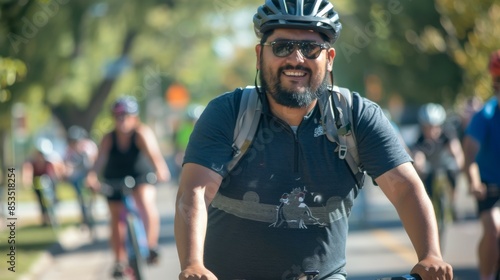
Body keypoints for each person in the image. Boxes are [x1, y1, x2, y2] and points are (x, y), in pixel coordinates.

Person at [174, 1, 453, 279]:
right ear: (259, 55)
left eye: (310, 48)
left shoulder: (356, 117)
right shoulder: (227, 114)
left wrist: (430, 255)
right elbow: (195, 192)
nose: (296, 59)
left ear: (329, 58)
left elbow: (404, 187)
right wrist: (193, 265)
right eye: (282, 47)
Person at [86, 96, 171, 278]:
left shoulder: (141, 133)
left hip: (140, 176)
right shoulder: (109, 138)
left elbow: (155, 156)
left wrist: (161, 171)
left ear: (134, 117)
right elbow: (98, 162)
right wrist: (91, 178)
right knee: (116, 218)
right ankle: (119, 261)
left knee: (145, 202)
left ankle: (150, 246)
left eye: (126, 115)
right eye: (118, 116)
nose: (122, 119)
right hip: (114, 179)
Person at [462, 50, 500, 280]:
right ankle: (486, 276)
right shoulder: (484, 116)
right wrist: (475, 183)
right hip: (489, 186)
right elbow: (469, 159)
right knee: (494, 229)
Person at [412, 103, 465, 222]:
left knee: (453, 171)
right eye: (427, 127)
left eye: (434, 127)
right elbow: (417, 155)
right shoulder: (420, 138)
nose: (431, 131)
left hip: (446, 163)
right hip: (431, 167)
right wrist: (418, 164)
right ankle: (430, 205)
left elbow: (456, 151)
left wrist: (459, 162)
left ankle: (453, 202)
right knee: (426, 178)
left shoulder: (447, 133)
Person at [22, 138, 65, 226]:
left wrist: (58, 179)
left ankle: (53, 216)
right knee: (41, 200)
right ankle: (45, 219)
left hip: (49, 181)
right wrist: (27, 182)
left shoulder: (50, 160)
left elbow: (57, 172)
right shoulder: (32, 161)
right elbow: (28, 172)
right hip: (37, 182)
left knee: (51, 198)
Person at [63, 125, 98, 228]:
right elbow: (67, 165)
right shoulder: (69, 150)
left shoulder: (88, 146)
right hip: (78, 175)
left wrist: (91, 176)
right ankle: (84, 216)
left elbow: (93, 161)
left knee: (92, 189)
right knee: (80, 195)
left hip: (90, 171)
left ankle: (91, 209)